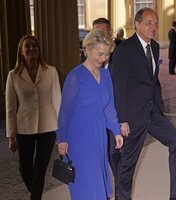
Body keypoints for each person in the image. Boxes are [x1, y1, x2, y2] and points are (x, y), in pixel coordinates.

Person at [111, 7, 176, 200]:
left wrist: (160, 108)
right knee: (127, 164)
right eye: (149, 23)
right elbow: (117, 87)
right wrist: (122, 120)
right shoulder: (125, 50)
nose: (154, 27)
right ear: (137, 24)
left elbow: (153, 81)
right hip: (132, 118)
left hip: (152, 113)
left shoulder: (154, 46)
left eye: (156, 23)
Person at [56, 29, 123, 200]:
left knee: (98, 181)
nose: (103, 59)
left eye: (107, 55)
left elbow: (109, 106)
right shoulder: (75, 77)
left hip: (99, 135)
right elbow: (64, 111)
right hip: (79, 137)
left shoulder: (106, 75)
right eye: (100, 54)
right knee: (87, 185)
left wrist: (116, 130)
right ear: (87, 49)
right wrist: (62, 138)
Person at [5, 35, 61, 200]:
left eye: (34, 46)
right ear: (21, 52)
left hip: (48, 126)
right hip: (24, 127)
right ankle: (36, 193)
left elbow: (58, 101)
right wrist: (11, 136)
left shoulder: (51, 71)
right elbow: (10, 108)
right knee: (25, 169)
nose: (31, 49)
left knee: (40, 168)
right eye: (27, 47)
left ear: (39, 50)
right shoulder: (13, 75)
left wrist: (62, 129)